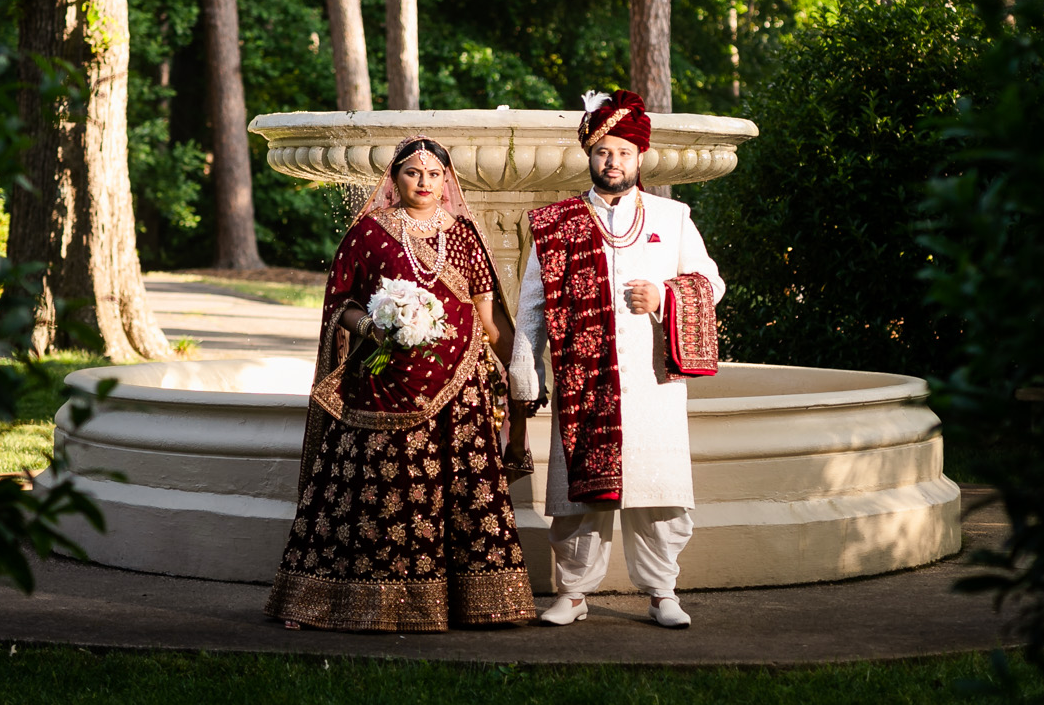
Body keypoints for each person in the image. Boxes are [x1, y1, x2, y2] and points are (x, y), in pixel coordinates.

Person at [265, 136, 536, 632]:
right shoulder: (368, 233)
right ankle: (349, 601)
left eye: (434, 174)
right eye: (413, 173)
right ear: (394, 179)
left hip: (461, 386)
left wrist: (516, 367)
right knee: (375, 491)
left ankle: (476, 603)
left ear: (447, 181)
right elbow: (340, 307)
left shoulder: (465, 235)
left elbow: (486, 314)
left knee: (464, 492)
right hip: (384, 381)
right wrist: (373, 327)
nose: (425, 183)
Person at [510, 89, 725, 630]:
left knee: (659, 490)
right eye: (604, 150)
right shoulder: (555, 223)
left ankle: (662, 591)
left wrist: (664, 297)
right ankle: (575, 592)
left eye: (624, 152)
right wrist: (523, 364)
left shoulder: (672, 217)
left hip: (653, 381)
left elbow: (711, 282)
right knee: (578, 493)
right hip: (584, 380)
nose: (614, 161)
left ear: (639, 158)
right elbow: (532, 301)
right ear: (589, 153)